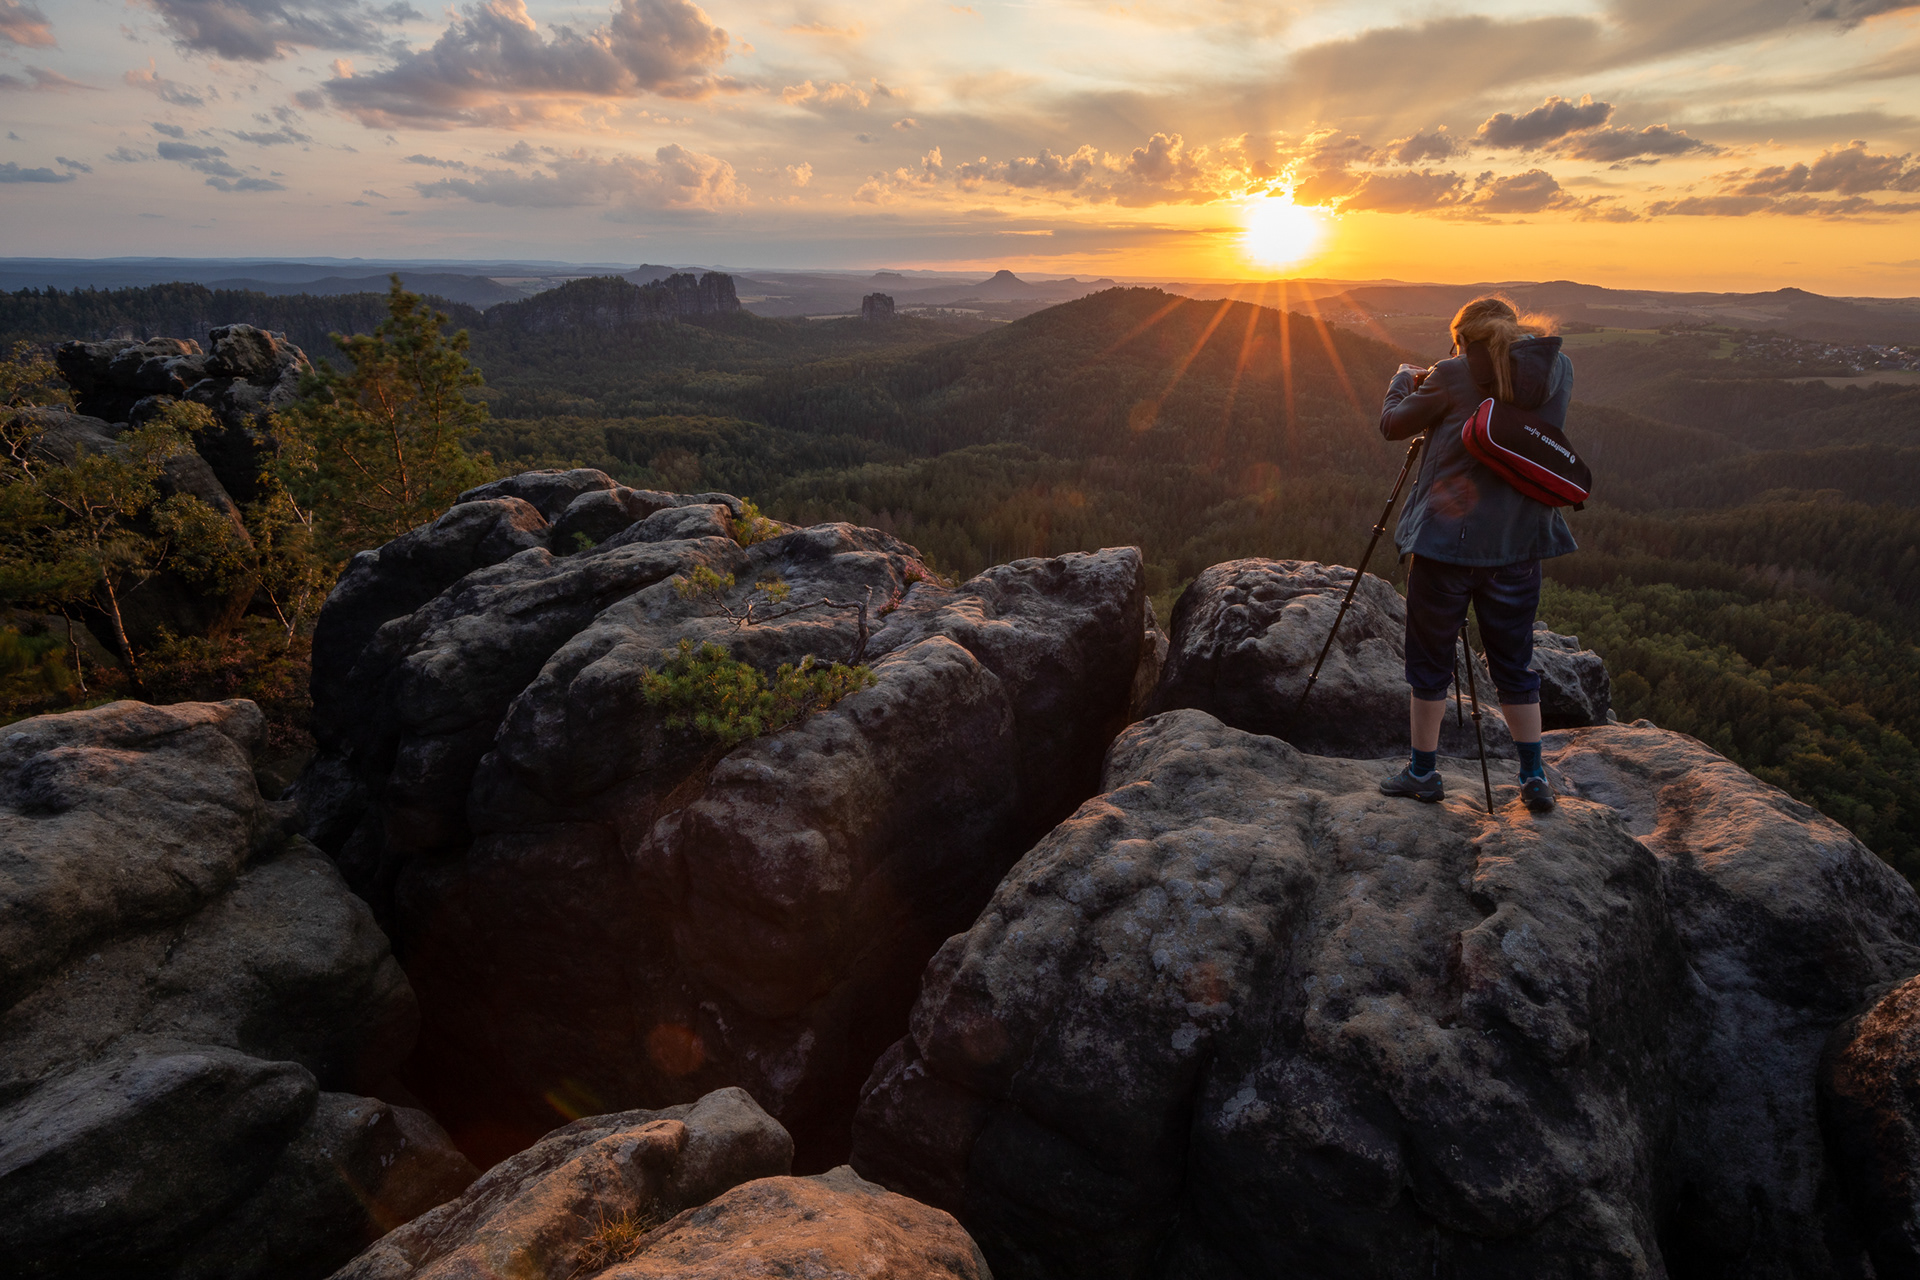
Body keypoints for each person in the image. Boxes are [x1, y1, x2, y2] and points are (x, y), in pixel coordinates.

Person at [1374, 296, 1576, 812]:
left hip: (1445, 546)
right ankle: (1533, 777)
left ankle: (1423, 772)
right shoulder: (1558, 369)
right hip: (1518, 545)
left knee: (1429, 662)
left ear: (1463, 338)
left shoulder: (1453, 372)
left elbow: (1393, 425)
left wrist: (1404, 377)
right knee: (1515, 664)